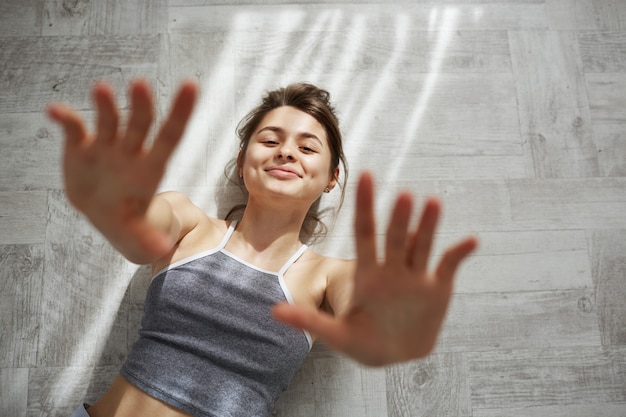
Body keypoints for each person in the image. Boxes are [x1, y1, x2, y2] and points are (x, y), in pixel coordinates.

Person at [47, 79, 478, 417]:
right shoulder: (188, 222)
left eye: (307, 147)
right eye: (271, 141)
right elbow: (137, 238)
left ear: (331, 177)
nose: (287, 152)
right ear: (242, 160)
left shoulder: (328, 275)